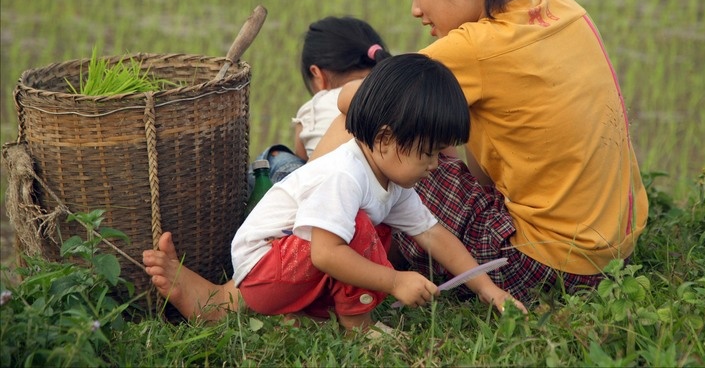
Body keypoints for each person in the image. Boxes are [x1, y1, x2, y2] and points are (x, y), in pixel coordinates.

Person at [315, 0, 649, 307]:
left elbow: (354, 100)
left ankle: (303, 248)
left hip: (546, 265)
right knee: (418, 138)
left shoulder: (475, 47)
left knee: (364, 132)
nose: (416, 10)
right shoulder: (561, 6)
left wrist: (350, 99)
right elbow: (484, 166)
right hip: (613, 255)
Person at [144, 54, 527, 329]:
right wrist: (396, 281)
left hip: (292, 266)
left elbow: (433, 234)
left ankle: (286, 314)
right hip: (265, 268)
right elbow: (326, 253)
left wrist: (487, 289)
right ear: (385, 138)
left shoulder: (389, 177)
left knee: (374, 230)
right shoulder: (344, 174)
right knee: (359, 228)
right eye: (428, 153)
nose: (435, 165)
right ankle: (350, 324)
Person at [256, 16, 390, 183]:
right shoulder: (395, 96)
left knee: (275, 156)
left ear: (317, 74)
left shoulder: (315, 106)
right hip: (382, 189)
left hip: (329, 192)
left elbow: (304, 159)